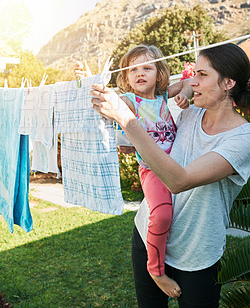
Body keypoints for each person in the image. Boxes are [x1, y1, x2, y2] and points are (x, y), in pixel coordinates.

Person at [90, 42, 250, 308]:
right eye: (194, 72)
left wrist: (126, 120)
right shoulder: (190, 111)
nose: (192, 81)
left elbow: (179, 180)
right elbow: (156, 132)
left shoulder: (242, 138)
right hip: (147, 236)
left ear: (228, 83)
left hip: (196, 256)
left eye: (202, 75)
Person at [115, 45, 192, 298]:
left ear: (158, 73)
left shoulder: (163, 97)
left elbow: (188, 82)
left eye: (147, 68)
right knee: (160, 216)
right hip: (151, 171)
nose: (139, 73)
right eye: (132, 69)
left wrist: (187, 95)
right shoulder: (129, 101)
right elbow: (108, 101)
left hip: (174, 166)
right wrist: (85, 77)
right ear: (125, 77)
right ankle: (156, 270)